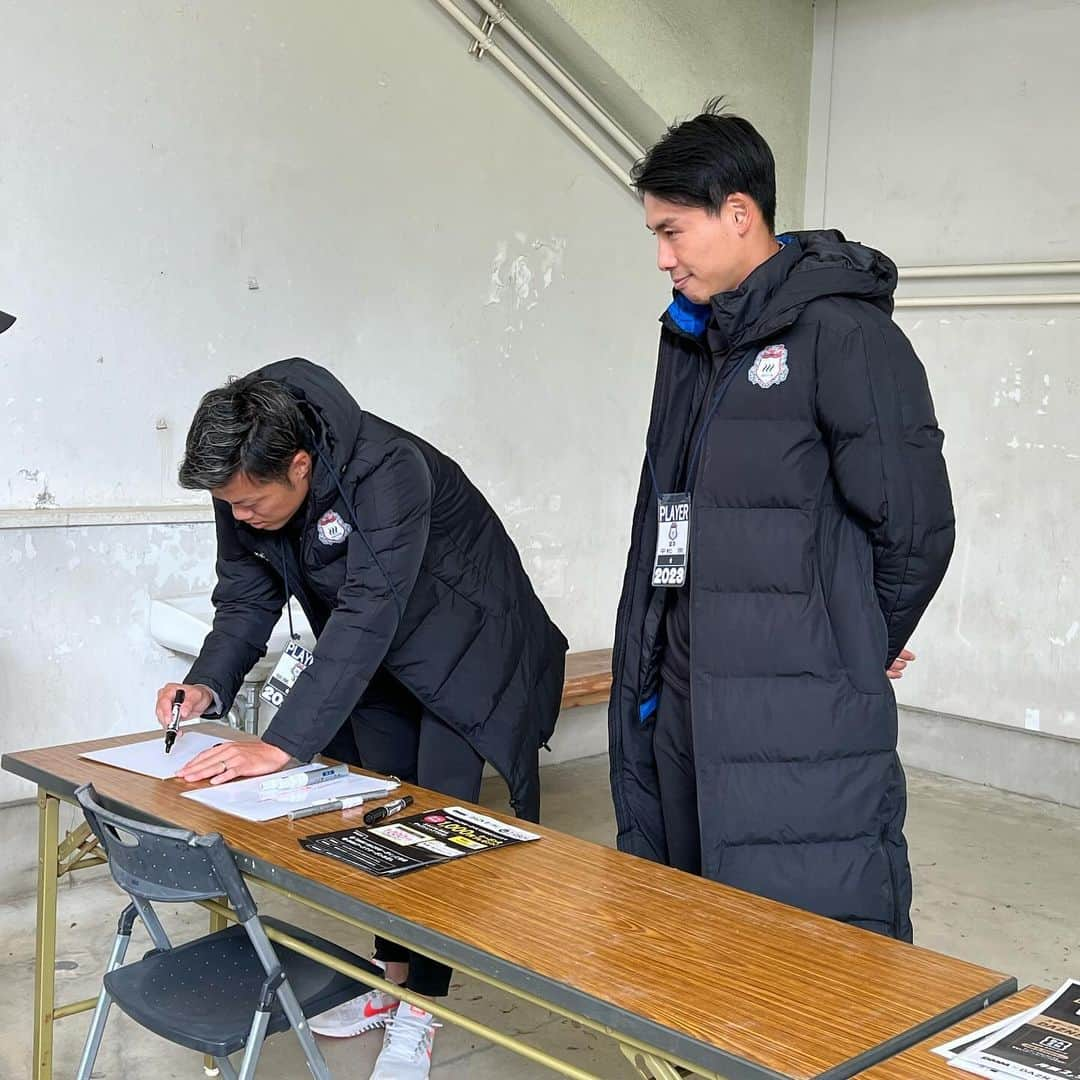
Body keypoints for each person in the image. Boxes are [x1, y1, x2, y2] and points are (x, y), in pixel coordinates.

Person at [156, 357, 567, 1079]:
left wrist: (280, 743)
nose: (240, 516)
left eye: (251, 504)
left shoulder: (388, 470)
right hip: (380, 656)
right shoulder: (247, 481)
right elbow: (247, 597)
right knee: (376, 823)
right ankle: (388, 984)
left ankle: (424, 1009)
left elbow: (370, 609)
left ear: (302, 467)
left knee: (437, 835)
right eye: (230, 505)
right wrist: (207, 685)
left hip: (467, 651)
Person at [608, 100, 954, 941]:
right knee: (694, 921)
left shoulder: (844, 334)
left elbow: (914, 527)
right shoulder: (695, 338)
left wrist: (849, 637)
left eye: (672, 231)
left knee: (808, 933)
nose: (661, 257)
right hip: (686, 688)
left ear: (739, 214)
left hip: (797, 705)